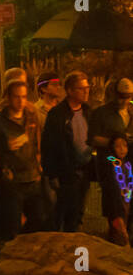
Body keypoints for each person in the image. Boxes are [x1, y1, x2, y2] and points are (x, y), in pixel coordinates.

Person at [0, 78, 45, 241]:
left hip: (32, 177)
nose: (20, 101)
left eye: (24, 97)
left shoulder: (32, 118)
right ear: (8, 98)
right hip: (11, 179)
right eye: (17, 97)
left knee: (38, 218)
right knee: (11, 222)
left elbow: (37, 144)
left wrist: (39, 166)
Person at [41, 71, 94, 231]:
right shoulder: (57, 115)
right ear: (70, 91)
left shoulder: (88, 111)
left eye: (87, 87)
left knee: (78, 211)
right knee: (62, 212)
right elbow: (48, 145)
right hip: (66, 171)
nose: (86, 91)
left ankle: (73, 243)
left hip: (85, 169)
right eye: (81, 88)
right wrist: (52, 174)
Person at [97, 135, 132, 245]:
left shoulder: (127, 164)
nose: (122, 149)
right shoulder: (111, 163)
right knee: (118, 232)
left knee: (123, 230)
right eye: (118, 146)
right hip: (115, 205)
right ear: (112, 148)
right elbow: (112, 188)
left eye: (124, 146)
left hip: (126, 202)